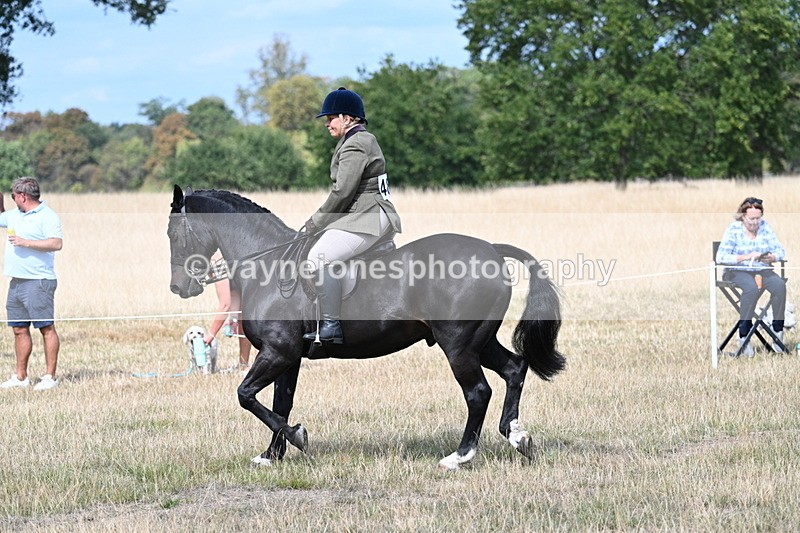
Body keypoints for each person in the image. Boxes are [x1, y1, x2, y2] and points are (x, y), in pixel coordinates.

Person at [302, 87, 401, 344]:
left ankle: (331, 326)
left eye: (331, 117)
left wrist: (316, 221)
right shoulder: (357, 140)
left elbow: (343, 191)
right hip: (364, 214)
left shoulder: (356, 143)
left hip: (368, 215)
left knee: (318, 258)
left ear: (347, 118)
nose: (327, 123)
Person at [0, 177, 64, 390]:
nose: (13, 200)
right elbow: (0, 216)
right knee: (19, 329)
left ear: (22, 196)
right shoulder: (14, 215)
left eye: (13, 196)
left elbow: (56, 243)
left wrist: (25, 242)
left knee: (46, 328)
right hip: (16, 282)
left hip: (39, 282)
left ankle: (49, 377)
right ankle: (21, 377)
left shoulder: (47, 216)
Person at [716, 197, 787, 356]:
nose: (755, 222)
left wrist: (773, 258)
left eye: (758, 218)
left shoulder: (765, 227)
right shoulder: (733, 229)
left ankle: (777, 334)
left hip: (762, 269)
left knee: (779, 286)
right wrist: (746, 256)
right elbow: (721, 257)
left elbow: (781, 251)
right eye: (751, 219)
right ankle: (744, 336)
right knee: (752, 289)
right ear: (742, 215)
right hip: (737, 271)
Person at [204, 251, 253, 371]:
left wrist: (210, 335)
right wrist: (233, 317)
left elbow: (225, 304)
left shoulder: (216, 262)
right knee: (243, 320)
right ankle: (243, 365)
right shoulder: (223, 256)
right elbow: (235, 289)